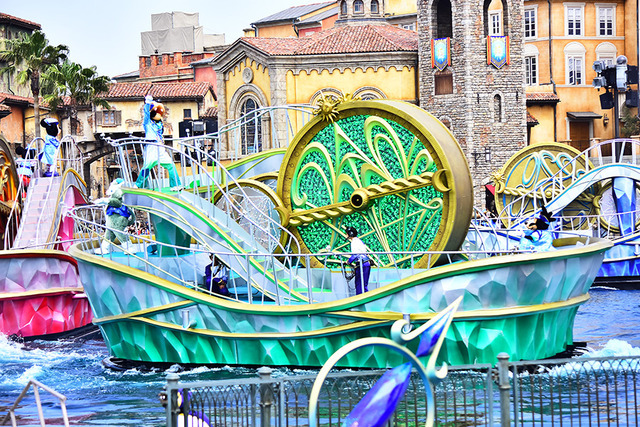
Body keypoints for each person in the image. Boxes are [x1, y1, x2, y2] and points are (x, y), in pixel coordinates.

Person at [135, 95, 182, 191]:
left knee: (170, 165)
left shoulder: (159, 124)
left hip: (160, 146)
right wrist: (148, 103)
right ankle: (138, 185)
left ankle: (175, 185)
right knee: (147, 166)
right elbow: (146, 114)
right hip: (152, 146)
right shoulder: (148, 123)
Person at [345, 226, 371, 295]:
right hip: (365, 263)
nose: (346, 235)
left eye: (347, 233)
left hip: (362, 264)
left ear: (350, 234)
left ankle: (360, 299)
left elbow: (356, 254)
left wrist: (349, 261)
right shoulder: (359, 241)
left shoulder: (354, 242)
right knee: (363, 284)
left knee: (359, 284)